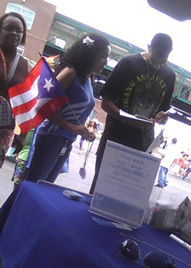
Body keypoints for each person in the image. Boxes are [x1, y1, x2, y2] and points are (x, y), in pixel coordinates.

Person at [89, 33, 176, 194]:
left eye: (164, 58)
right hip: (115, 139)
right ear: (149, 47)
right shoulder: (128, 63)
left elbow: (161, 112)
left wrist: (161, 118)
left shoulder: (170, 75)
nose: (159, 63)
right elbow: (106, 102)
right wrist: (125, 119)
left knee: (126, 197)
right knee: (99, 192)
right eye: (157, 56)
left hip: (142, 145)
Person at [25, 33, 111, 183]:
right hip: (50, 140)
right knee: (33, 186)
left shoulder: (88, 78)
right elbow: (42, 106)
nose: (106, 62)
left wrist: (81, 129)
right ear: (91, 54)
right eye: (103, 56)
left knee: (44, 188)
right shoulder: (70, 73)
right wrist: (71, 126)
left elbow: (72, 111)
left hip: (65, 143)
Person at [0, 12, 32, 169]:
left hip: (4, 129)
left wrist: (23, 134)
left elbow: (27, 103)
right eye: (8, 28)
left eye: (19, 31)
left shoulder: (26, 66)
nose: (14, 33)